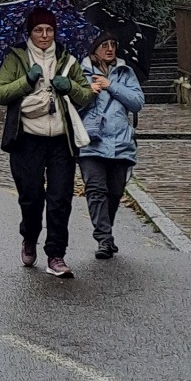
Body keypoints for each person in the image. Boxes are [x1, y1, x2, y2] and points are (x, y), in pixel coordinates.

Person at [0, 8, 93, 278]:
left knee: (60, 199)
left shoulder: (68, 60)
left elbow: (86, 95)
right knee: (31, 198)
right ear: (30, 33)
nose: (45, 35)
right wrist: (26, 81)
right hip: (27, 140)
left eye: (49, 30)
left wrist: (69, 86)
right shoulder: (15, 58)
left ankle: (56, 255)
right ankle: (29, 237)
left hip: (61, 141)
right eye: (39, 30)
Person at [77, 29, 145, 260]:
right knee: (96, 190)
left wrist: (110, 85)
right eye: (104, 45)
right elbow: (71, 106)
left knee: (114, 192)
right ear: (94, 48)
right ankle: (104, 238)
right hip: (92, 142)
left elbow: (137, 103)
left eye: (113, 44)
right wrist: (88, 93)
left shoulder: (126, 72)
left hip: (120, 143)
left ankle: (106, 231)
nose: (109, 49)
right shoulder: (81, 72)